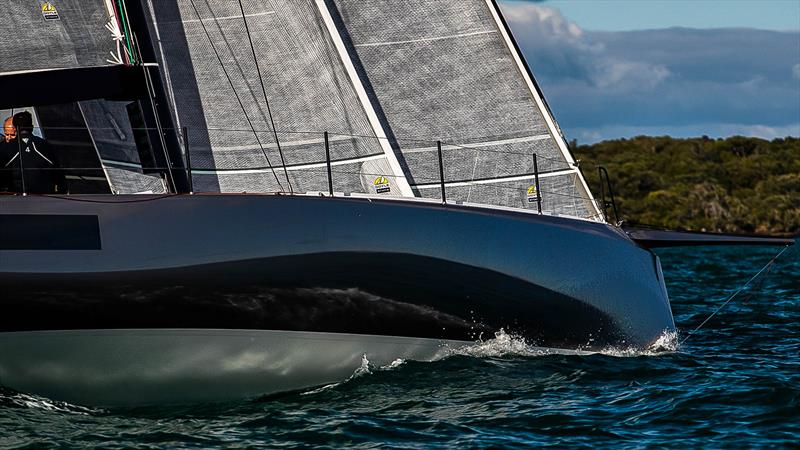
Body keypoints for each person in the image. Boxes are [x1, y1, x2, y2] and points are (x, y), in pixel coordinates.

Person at [1, 111, 65, 194]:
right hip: (45, 199)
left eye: (12, 135)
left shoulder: (5, 148)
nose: (9, 138)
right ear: (31, 127)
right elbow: (58, 175)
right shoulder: (45, 145)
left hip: (14, 199)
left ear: (15, 129)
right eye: (6, 134)